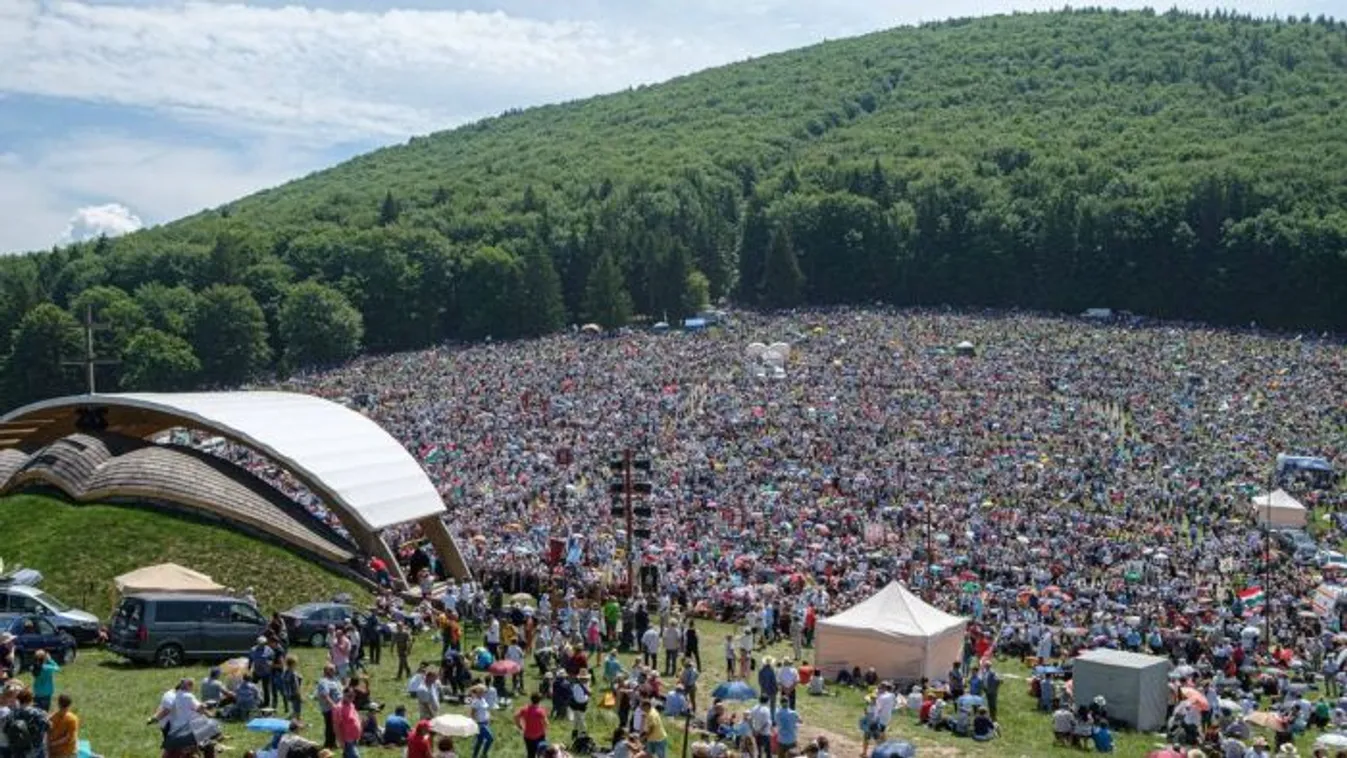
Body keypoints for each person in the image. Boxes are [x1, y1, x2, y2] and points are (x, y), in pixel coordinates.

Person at [7, 689, 50, 758]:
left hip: (19, 751)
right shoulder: (39, 713)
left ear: (19, 699)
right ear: (31, 699)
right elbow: (48, 727)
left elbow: (6, 730)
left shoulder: (12, 714)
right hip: (36, 750)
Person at [316, 664, 343, 750]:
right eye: (331, 669)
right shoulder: (324, 681)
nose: (334, 670)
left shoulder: (335, 679)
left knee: (335, 725)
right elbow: (325, 695)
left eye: (334, 669)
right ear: (326, 671)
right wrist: (333, 705)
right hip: (329, 708)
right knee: (330, 726)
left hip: (338, 707)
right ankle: (328, 744)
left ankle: (333, 743)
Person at [514, 693, 548, 758]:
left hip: (528, 736)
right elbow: (546, 723)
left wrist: (519, 725)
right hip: (539, 736)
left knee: (530, 754)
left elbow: (516, 716)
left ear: (531, 699)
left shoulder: (524, 709)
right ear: (539, 701)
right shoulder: (540, 711)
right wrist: (544, 731)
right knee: (542, 752)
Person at [333, 688, 363, 758]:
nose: (352, 698)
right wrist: (340, 741)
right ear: (343, 695)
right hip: (347, 740)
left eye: (353, 696)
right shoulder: (339, 708)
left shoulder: (351, 704)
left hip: (354, 738)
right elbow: (336, 726)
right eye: (349, 696)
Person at [469, 684, 493, 758]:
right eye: (482, 692)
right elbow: (472, 714)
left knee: (480, 741)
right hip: (480, 724)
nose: (484, 693)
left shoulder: (483, 699)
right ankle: (484, 754)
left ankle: (474, 756)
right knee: (490, 738)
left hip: (485, 722)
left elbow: (485, 710)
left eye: (484, 692)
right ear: (478, 692)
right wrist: (475, 724)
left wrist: (489, 718)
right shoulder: (476, 702)